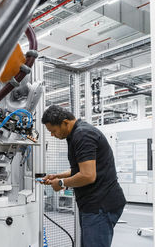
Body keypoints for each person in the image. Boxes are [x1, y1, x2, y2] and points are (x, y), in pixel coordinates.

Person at [41, 105, 126, 247]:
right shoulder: (75, 134)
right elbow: (80, 169)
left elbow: (88, 175)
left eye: (53, 131)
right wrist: (57, 176)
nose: (52, 135)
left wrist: (61, 183)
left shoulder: (82, 134)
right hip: (93, 204)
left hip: (100, 205)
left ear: (65, 123)